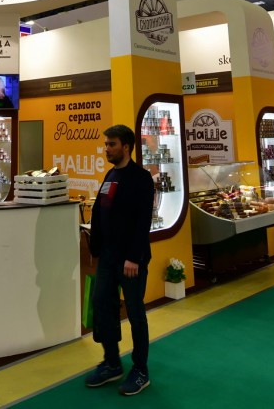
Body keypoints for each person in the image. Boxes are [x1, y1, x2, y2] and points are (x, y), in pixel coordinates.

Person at [84, 124, 153, 396]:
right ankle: (112, 363)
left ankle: (141, 370)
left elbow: (143, 221)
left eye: (111, 144)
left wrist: (134, 257)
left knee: (135, 313)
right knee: (102, 304)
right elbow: (100, 212)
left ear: (126, 146)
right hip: (108, 257)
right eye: (106, 144)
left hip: (131, 260)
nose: (107, 149)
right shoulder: (110, 175)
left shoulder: (141, 178)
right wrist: (96, 247)